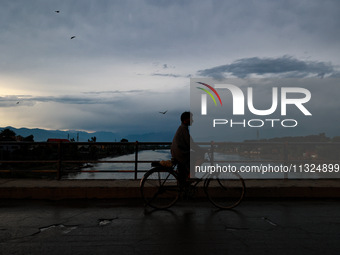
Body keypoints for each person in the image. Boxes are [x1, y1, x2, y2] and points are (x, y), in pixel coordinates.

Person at [171, 111, 205, 181]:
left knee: (192, 157)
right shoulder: (184, 129)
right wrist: (201, 150)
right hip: (180, 153)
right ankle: (191, 175)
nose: (192, 120)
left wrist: (198, 149)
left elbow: (190, 143)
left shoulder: (182, 128)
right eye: (191, 118)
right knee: (200, 156)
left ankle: (187, 175)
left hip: (177, 152)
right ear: (186, 120)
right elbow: (191, 144)